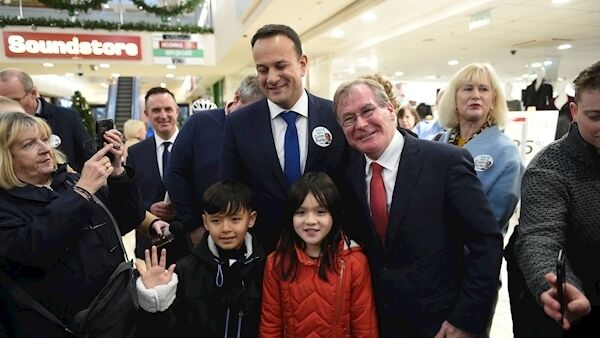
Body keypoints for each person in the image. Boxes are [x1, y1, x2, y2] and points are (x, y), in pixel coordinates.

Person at [334, 78, 503, 338]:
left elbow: (486, 242)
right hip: (379, 323)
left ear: (390, 110)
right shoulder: (348, 176)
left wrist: (466, 318)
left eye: (367, 111)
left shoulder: (445, 162)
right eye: (348, 119)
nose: (360, 124)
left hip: (441, 325)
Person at [0, 111, 144, 336]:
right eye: (29, 144)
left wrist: (118, 173)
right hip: (61, 325)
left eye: (46, 139)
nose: (45, 148)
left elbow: (127, 220)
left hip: (114, 310)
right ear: (5, 156)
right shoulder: (7, 203)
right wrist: (82, 192)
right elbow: (32, 250)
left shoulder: (69, 181)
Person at [221, 24, 348, 253]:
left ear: (302, 64)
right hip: (265, 254)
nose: (271, 78)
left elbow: (350, 184)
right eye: (262, 69)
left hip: (330, 252)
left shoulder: (335, 116)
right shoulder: (238, 124)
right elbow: (232, 188)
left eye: (280, 66)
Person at [513, 61, 600, 336]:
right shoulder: (550, 168)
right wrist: (556, 285)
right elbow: (540, 237)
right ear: (574, 112)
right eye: (595, 116)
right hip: (578, 308)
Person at [135, 181, 265, 338]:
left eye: (235, 219)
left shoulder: (264, 267)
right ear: (205, 222)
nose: (226, 228)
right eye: (216, 220)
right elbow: (165, 331)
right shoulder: (185, 270)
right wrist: (155, 305)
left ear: (251, 219)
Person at [260, 172, 378, 337]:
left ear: (334, 215)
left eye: (320, 212)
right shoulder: (277, 262)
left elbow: (364, 327)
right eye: (301, 212)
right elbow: (270, 324)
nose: (310, 221)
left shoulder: (354, 262)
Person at [166, 75, 263, 245]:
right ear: (237, 98)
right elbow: (175, 174)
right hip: (203, 233)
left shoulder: (258, 130)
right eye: (249, 112)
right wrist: (194, 226)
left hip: (250, 237)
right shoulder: (200, 123)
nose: (251, 119)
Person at [437, 63, 524, 235]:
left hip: (473, 253)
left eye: (483, 89)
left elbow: (493, 220)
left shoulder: (506, 154)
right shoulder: (439, 142)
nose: (476, 95)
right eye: (468, 89)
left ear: (493, 99)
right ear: (453, 98)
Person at [127, 87, 187, 264]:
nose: (163, 115)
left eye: (168, 109)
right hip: (150, 244)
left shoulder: (194, 144)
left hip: (189, 243)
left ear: (177, 111)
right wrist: (149, 209)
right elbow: (130, 198)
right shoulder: (135, 153)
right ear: (146, 114)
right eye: (156, 110)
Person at [0, 68, 92, 172]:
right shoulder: (3, 123)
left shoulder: (66, 117)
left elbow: (87, 155)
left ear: (33, 93)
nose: (7, 107)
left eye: (14, 101)